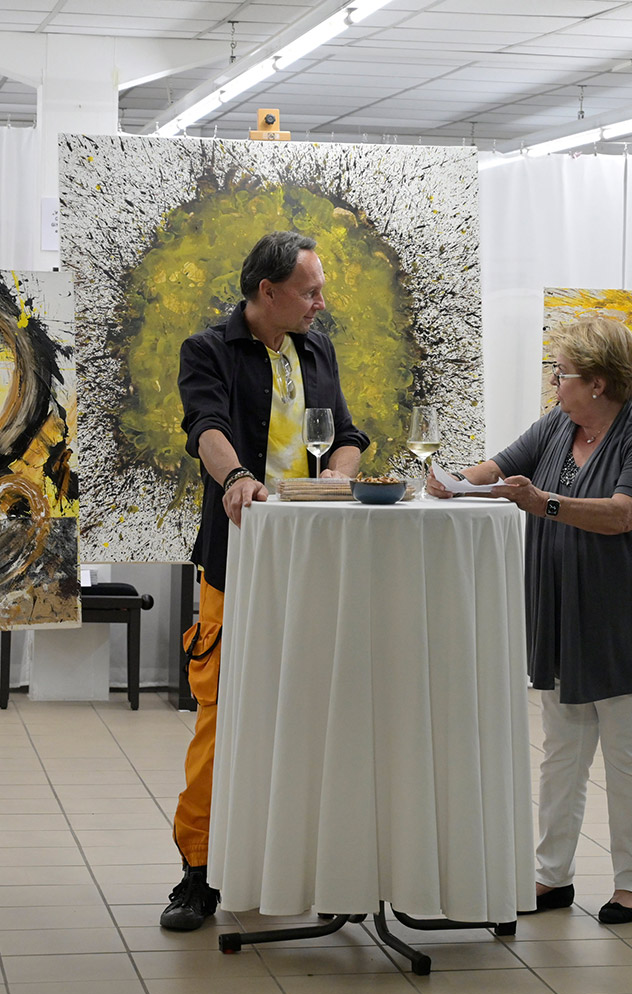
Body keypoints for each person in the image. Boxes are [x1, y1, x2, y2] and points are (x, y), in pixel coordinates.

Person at [427, 316, 632, 925]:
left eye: (562, 373)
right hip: (563, 613)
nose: (554, 383)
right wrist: (453, 484)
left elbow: (625, 514)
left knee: (628, 754)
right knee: (562, 752)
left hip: (627, 618)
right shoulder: (558, 425)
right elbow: (498, 466)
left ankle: (631, 885)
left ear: (597, 383)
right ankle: (552, 878)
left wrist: (543, 502)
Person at [161, 231, 369, 931]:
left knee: (313, 710)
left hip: (314, 562)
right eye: (309, 290)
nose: (320, 302)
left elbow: (345, 431)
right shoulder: (208, 350)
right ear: (266, 292)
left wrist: (339, 473)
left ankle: (305, 860)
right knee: (221, 714)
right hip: (237, 561)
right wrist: (239, 478)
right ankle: (198, 871)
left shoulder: (318, 348)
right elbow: (207, 428)